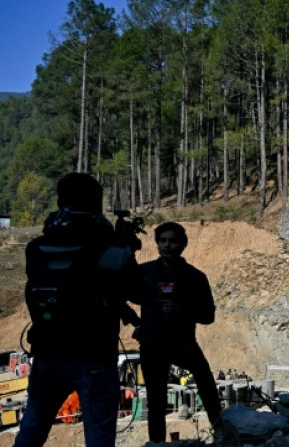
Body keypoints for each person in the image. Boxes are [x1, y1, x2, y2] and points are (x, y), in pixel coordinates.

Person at [16, 173, 140, 447]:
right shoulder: (111, 247)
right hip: (93, 356)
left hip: (47, 354)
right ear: (97, 203)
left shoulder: (36, 248)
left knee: (31, 432)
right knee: (98, 438)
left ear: (60, 202)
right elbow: (137, 291)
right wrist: (127, 247)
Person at [134, 222, 221, 443]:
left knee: (207, 385)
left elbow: (208, 316)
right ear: (156, 243)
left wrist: (182, 308)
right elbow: (118, 294)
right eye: (163, 240)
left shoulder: (195, 277)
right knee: (156, 401)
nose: (167, 245)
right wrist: (135, 323)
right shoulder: (144, 273)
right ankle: (157, 443)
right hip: (153, 343)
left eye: (172, 241)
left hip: (183, 342)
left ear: (183, 245)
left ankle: (222, 434)